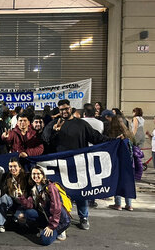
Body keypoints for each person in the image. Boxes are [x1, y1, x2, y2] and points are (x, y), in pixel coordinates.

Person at [42, 99, 110, 230]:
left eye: (66, 108)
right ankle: (61, 218)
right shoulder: (53, 124)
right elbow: (45, 140)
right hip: (60, 166)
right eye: (61, 109)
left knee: (81, 192)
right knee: (60, 193)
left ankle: (84, 218)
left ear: (71, 108)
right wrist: (55, 131)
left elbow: (96, 138)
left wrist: (114, 141)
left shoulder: (81, 124)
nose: (64, 111)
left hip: (79, 164)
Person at [19, 165, 70, 245]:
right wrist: (21, 196)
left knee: (45, 240)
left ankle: (60, 230)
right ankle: (45, 227)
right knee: (28, 213)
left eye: (38, 173)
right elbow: (31, 205)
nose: (36, 176)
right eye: (33, 174)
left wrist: (51, 226)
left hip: (60, 221)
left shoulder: (50, 187)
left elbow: (56, 208)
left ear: (43, 175)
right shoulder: (35, 189)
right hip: (48, 216)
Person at [0, 157, 28, 233]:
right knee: (2, 198)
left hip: (22, 204)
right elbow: (0, 194)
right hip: (11, 201)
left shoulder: (26, 177)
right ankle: (0, 224)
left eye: (15, 166)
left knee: (19, 223)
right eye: (10, 166)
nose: (12, 169)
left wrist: (21, 195)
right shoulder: (6, 176)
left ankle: (18, 218)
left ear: (20, 167)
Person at [107, 115, 137, 211]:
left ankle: (118, 204)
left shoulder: (111, 133)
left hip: (116, 161)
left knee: (117, 181)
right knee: (128, 181)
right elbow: (135, 144)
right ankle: (129, 205)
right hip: (128, 161)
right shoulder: (129, 133)